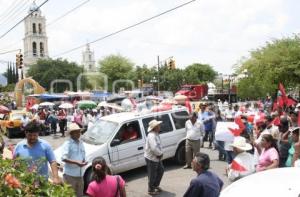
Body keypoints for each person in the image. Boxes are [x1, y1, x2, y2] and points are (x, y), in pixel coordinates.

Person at [61, 123, 87, 197]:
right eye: (76, 132)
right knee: (70, 195)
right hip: (70, 175)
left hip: (80, 174)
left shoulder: (81, 142)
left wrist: (84, 160)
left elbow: (83, 154)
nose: (79, 134)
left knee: (80, 194)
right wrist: (76, 162)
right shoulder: (67, 144)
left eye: (79, 132)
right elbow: (63, 158)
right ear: (71, 133)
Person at [144, 119, 164, 195]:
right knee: (152, 174)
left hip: (157, 157)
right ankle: (151, 189)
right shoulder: (151, 135)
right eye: (158, 125)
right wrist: (160, 154)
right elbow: (154, 148)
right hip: (152, 158)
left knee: (161, 171)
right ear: (155, 127)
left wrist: (160, 154)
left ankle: (155, 185)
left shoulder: (156, 133)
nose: (160, 126)